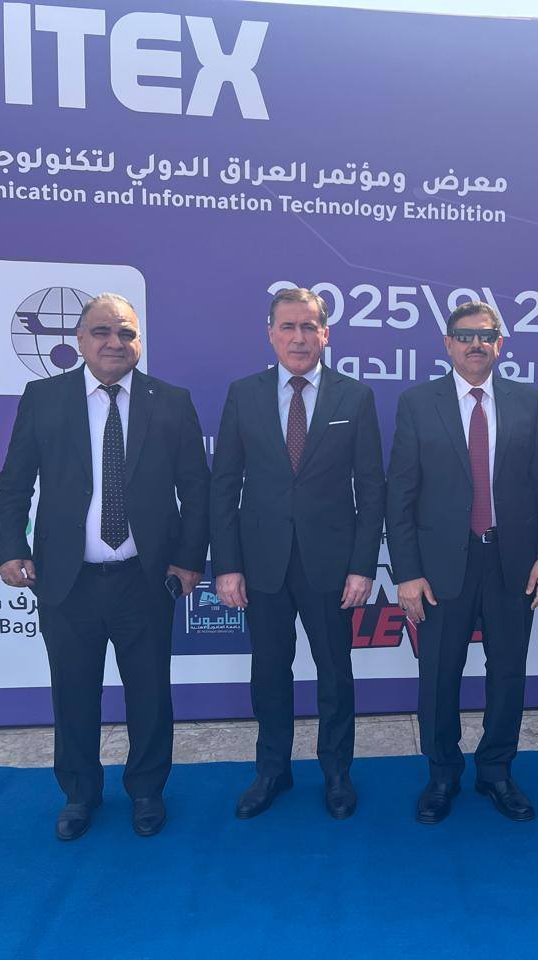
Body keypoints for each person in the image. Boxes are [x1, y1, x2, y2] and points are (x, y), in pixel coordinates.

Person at [0, 293, 210, 840]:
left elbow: (197, 490)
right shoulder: (44, 398)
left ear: (139, 341)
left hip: (146, 578)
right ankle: (79, 794)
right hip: (67, 581)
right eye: (102, 332)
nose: (115, 342)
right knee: (73, 694)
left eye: (126, 333)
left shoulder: (172, 401)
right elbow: (14, 483)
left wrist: (188, 560)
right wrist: (10, 547)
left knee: (150, 696)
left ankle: (147, 791)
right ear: (80, 340)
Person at [210, 288, 385, 821]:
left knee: (335, 672)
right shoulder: (243, 394)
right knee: (269, 672)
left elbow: (371, 489)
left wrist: (362, 566)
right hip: (262, 562)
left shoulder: (355, 397)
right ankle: (272, 770)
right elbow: (224, 486)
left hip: (330, 564)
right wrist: (228, 565)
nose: (299, 337)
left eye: (309, 327)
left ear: (325, 334)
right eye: (288, 326)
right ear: (271, 334)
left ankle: (337, 772)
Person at [386, 301, 538, 823]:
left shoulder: (527, 402)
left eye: (486, 335)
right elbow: (401, 494)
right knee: (439, 676)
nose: (476, 344)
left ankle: (496, 771)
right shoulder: (418, 403)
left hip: (513, 563)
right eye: (465, 336)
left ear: (500, 345)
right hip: (442, 567)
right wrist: (407, 572)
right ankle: (442, 774)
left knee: (508, 674)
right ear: (447, 344)